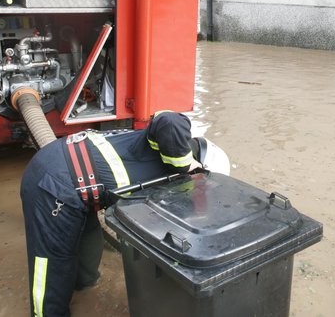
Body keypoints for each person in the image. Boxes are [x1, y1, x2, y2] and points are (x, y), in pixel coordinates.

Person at [20, 111, 204, 317]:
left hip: (80, 187)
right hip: (53, 183)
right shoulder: (170, 143)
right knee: (52, 264)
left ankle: (83, 288)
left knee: (88, 246)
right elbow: (170, 119)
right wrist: (186, 164)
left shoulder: (164, 164)